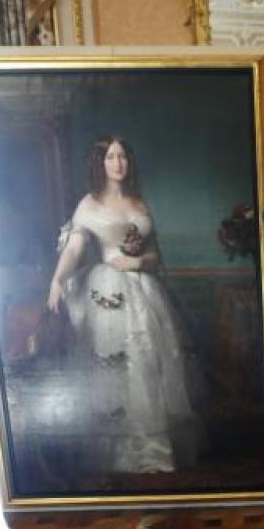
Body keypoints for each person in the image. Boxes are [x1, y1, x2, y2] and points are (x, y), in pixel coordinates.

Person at [46, 135, 192, 474]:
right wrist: (56, 279)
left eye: (123, 156)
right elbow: (74, 249)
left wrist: (137, 264)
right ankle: (118, 452)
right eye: (111, 157)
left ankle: (152, 450)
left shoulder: (140, 205)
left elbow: (154, 256)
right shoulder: (89, 204)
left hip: (144, 288)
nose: (118, 163)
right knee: (114, 366)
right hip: (107, 288)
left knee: (149, 363)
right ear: (101, 163)